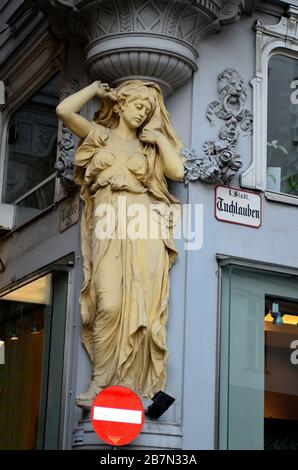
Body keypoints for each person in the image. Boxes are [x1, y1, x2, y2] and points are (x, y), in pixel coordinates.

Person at [56, 80, 184, 409]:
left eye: (147, 110)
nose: (142, 114)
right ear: (122, 105)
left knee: (142, 302)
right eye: (138, 106)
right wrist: (94, 91)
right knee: (108, 302)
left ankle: (129, 382)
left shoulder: (148, 147)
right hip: (108, 225)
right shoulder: (101, 135)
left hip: (143, 226)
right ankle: (100, 380)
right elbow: (63, 111)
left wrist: (159, 139)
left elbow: (177, 172)